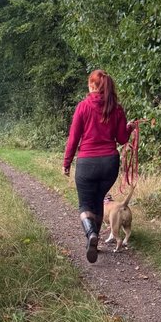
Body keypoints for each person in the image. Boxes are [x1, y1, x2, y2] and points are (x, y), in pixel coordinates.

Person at [62, 70, 141, 263]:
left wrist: (67, 163)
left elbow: (73, 138)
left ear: (92, 85)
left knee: (85, 204)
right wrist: (129, 128)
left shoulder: (83, 107)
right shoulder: (117, 109)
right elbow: (122, 139)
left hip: (87, 163)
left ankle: (91, 234)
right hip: (109, 164)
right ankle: (95, 241)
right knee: (98, 201)